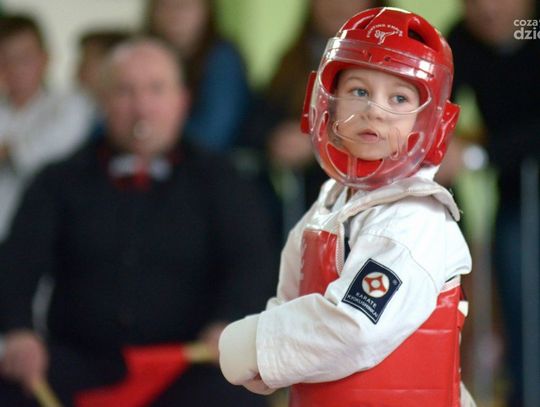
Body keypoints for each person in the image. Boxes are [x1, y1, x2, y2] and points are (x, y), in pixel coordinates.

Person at [219, 7, 476, 406]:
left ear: (431, 123)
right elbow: (293, 296)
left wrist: (258, 344)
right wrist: (268, 357)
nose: (374, 110)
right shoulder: (331, 203)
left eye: (399, 98)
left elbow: (356, 328)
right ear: (326, 101)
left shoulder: (414, 216)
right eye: (359, 91)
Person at [0, 37, 277, 407]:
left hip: (189, 365)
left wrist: (228, 323)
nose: (142, 107)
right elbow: (17, 263)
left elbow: (253, 263)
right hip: (80, 361)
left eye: (156, 90)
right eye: (124, 92)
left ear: (182, 100)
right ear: (102, 102)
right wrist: (19, 332)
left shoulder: (224, 180)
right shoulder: (57, 180)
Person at [445, 0, 540, 405]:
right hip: (517, 197)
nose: (487, 8)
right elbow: (436, 105)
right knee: (520, 309)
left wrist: (477, 154)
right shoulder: (462, 40)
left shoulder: (533, 31)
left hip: (519, 187)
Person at [239, 0, 387, 243]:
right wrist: (276, 139)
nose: (336, 5)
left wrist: (320, 142)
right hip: (303, 212)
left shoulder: (390, 63)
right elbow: (256, 123)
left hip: (369, 213)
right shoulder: (294, 59)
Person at [0, 14, 92, 242]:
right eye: (5, 59)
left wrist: (9, 151)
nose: (15, 68)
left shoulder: (70, 105)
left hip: (44, 237)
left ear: (45, 58)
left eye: (24, 58)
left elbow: (43, 157)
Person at [143, 0, 252, 153]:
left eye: (185, 6)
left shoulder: (223, 59)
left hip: (203, 160)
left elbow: (212, 135)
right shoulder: (140, 56)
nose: (174, 15)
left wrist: (148, 134)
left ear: (207, 10)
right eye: (164, 5)